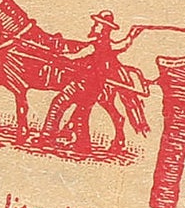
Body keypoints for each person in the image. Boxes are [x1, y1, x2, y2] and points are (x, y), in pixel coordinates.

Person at [41, 10, 144, 153]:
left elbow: (75, 56)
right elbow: (124, 44)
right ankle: (83, 146)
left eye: (97, 24)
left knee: (58, 103)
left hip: (81, 85)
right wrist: (133, 33)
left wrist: (55, 56)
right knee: (81, 115)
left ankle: (47, 137)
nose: (94, 26)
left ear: (104, 29)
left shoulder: (95, 46)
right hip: (94, 89)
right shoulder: (111, 46)